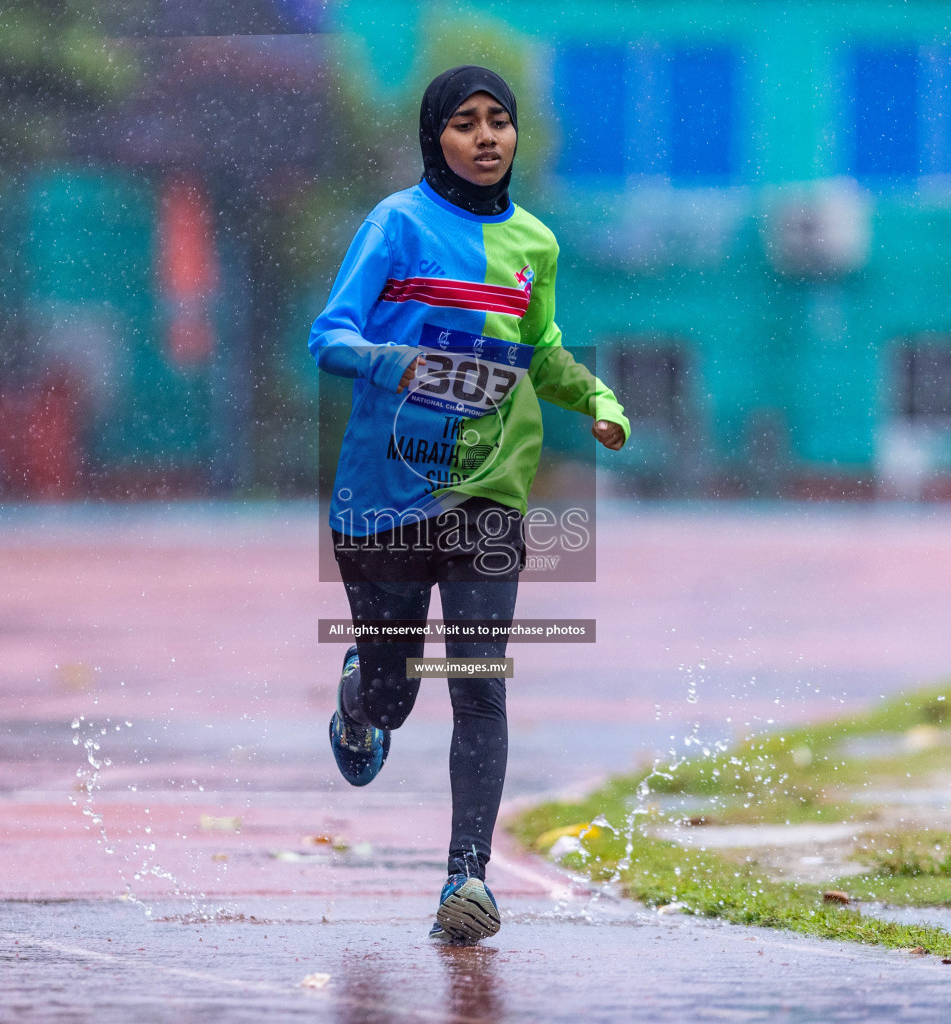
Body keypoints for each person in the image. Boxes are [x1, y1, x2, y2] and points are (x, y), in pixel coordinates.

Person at [307, 65, 630, 943]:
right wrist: (387, 360)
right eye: (465, 123)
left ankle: (467, 881)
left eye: (500, 122)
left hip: (487, 491)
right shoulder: (397, 224)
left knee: (479, 683)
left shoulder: (537, 244)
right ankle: (359, 699)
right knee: (398, 692)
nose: (487, 138)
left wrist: (598, 400)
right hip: (385, 498)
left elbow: (545, 354)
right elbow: (327, 335)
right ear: (434, 138)